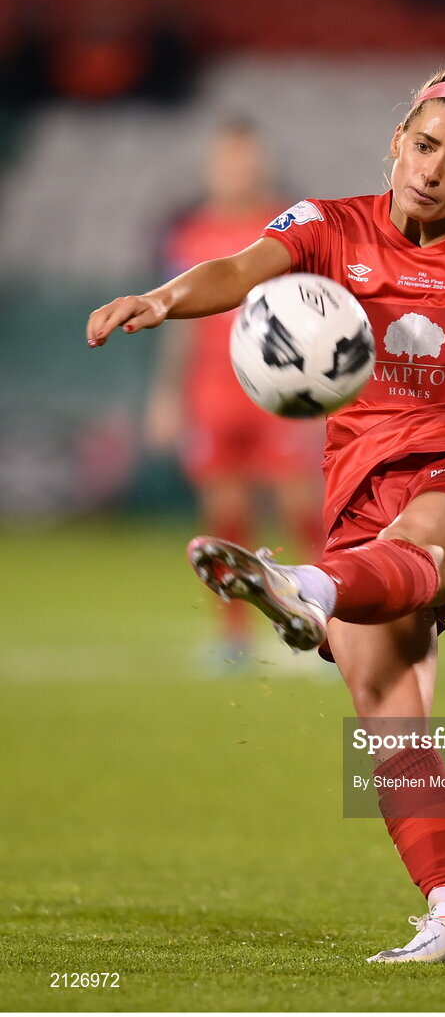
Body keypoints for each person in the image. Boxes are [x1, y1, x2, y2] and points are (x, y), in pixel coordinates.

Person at [87, 64, 445, 963]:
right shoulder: (327, 226)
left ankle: (300, 583)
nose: (433, 170)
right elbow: (241, 269)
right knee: (389, 714)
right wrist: (164, 299)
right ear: (398, 139)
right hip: (362, 494)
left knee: (420, 546)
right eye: (424, 146)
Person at [144, 119, 324, 663]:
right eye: (226, 161)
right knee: (225, 514)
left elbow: (317, 308)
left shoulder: (289, 229)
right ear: (212, 167)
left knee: (301, 507)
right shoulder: (190, 233)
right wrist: (166, 395)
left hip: (278, 392)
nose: (236, 170)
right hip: (212, 393)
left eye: (245, 160)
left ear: (261, 164)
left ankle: (328, 622)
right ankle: (234, 637)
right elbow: (178, 322)